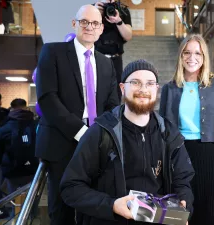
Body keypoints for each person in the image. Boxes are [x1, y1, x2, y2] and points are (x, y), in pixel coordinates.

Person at [60, 59, 194, 225]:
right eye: (135, 83)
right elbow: (70, 187)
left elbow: (183, 182)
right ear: (123, 88)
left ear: (156, 89)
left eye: (150, 83)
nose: (143, 89)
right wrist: (112, 205)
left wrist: (182, 206)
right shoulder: (101, 132)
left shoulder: (169, 134)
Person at [35, 5, 119, 225]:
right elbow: (47, 98)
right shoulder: (52, 52)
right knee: (60, 208)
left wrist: (100, 135)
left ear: (101, 29)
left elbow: (112, 104)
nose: (89, 27)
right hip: (61, 140)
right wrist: (81, 132)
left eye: (95, 23)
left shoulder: (106, 62)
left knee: (93, 205)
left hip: (96, 143)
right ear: (74, 24)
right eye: (84, 22)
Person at [159, 34, 214, 225]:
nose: (192, 57)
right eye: (187, 52)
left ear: (204, 57)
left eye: (197, 53)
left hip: (213, 157)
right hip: (181, 156)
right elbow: (162, 132)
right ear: (180, 56)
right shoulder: (168, 89)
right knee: (186, 214)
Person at [0, 98, 38, 194]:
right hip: (32, 168)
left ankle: (14, 209)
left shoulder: (4, 128)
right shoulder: (36, 125)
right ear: (26, 108)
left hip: (12, 170)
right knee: (31, 196)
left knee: (13, 197)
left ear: (12, 109)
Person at [94, 0, 132, 100]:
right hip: (95, 58)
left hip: (116, 59)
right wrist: (95, 15)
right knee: (96, 93)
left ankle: (114, 115)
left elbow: (128, 36)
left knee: (116, 94)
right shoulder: (92, 9)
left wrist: (118, 21)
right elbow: (86, 33)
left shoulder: (123, 10)